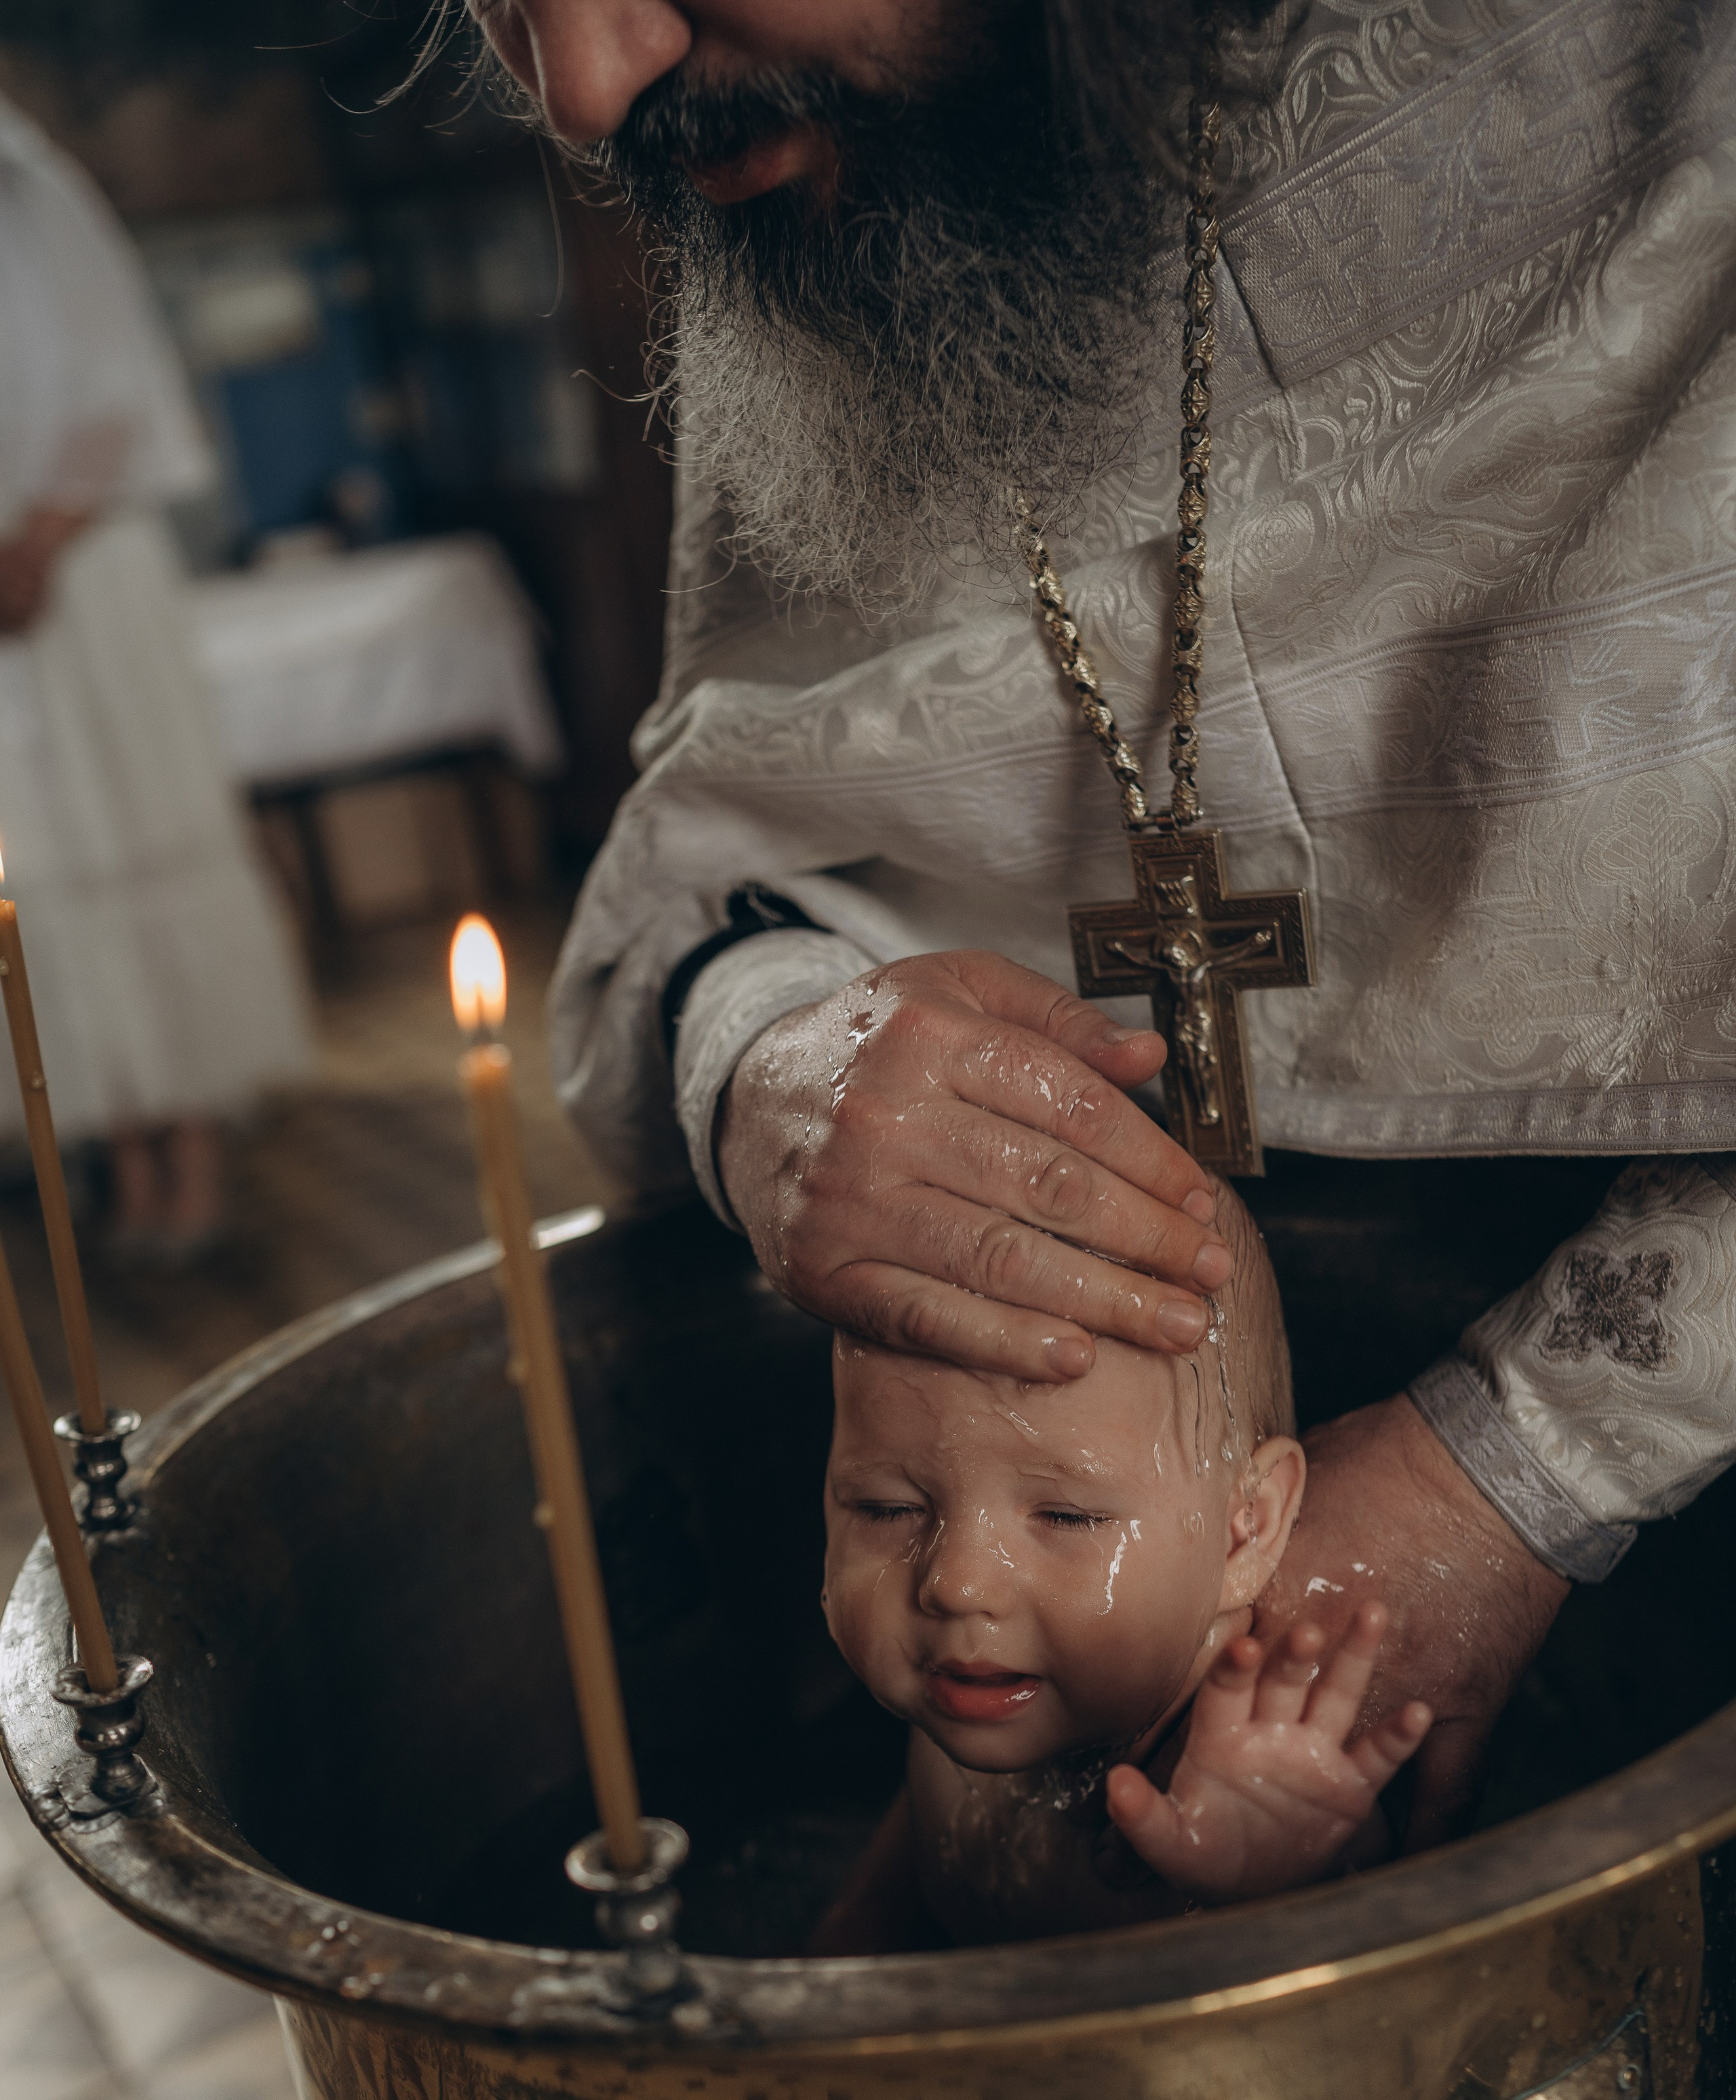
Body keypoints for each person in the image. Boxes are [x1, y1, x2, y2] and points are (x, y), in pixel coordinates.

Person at [471, 0, 1735, 1841]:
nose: (587, 86)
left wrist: (1520, 1470)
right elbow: (745, 844)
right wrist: (772, 1048)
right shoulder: (840, 191)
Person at [815, 1176, 1435, 1950]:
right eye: (886, 1507)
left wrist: (1270, 1886)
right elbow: (929, 1808)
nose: (956, 1583)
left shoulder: (1265, 1773)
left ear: (1245, 1528)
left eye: (1067, 1516)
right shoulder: (985, 1679)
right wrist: (854, 1928)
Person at [0, 93, 312, 1258]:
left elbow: (118, 384)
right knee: (40, 870)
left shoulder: (30, 182)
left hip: (79, 565)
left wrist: (34, 540)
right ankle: (112, 1141)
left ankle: (188, 1142)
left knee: (140, 830)